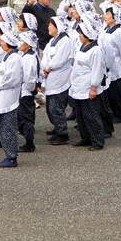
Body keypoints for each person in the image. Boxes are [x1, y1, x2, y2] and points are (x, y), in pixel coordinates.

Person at [0, 32, 23, 168]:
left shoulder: (15, 58)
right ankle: (8, 154)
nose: (0, 44)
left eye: (2, 42)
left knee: (8, 128)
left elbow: (11, 79)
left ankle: (12, 156)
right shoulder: (7, 57)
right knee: (1, 127)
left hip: (8, 98)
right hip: (0, 97)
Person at [70, 19, 107, 151]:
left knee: (92, 116)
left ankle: (97, 140)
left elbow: (97, 70)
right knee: (81, 117)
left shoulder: (95, 50)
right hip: (79, 87)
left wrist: (94, 88)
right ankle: (85, 138)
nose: (79, 36)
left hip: (88, 88)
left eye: (81, 33)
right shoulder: (82, 47)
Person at [42, 16, 74, 145]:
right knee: (50, 107)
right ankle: (57, 127)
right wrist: (44, 67)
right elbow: (44, 55)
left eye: (51, 25)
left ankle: (63, 133)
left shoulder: (65, 41)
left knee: (57, 107)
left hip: (60, 77)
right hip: (50, 75)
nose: (48, 27)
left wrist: (49, 67)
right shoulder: (52, 41)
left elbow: (60, 59)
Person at [102, 3, 121, 123]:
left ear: (115, 16)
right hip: (107, 64)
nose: (105, 16)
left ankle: (120, 114)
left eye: (108, 14)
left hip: (117, 65)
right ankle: (113, 112)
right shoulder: (106, 29)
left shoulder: (119, 32)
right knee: (110, 92)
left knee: (117, 92)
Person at [17, 31, 40, 152]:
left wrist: (31, 90)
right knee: (23, 118)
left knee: (26, 119)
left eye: (22, 41)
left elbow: (29, 78)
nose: (19, 43)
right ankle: (28, 140)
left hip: (26, 92)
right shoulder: (26, 55)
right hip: (23, 91)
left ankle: (29, 142)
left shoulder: (29, 58)